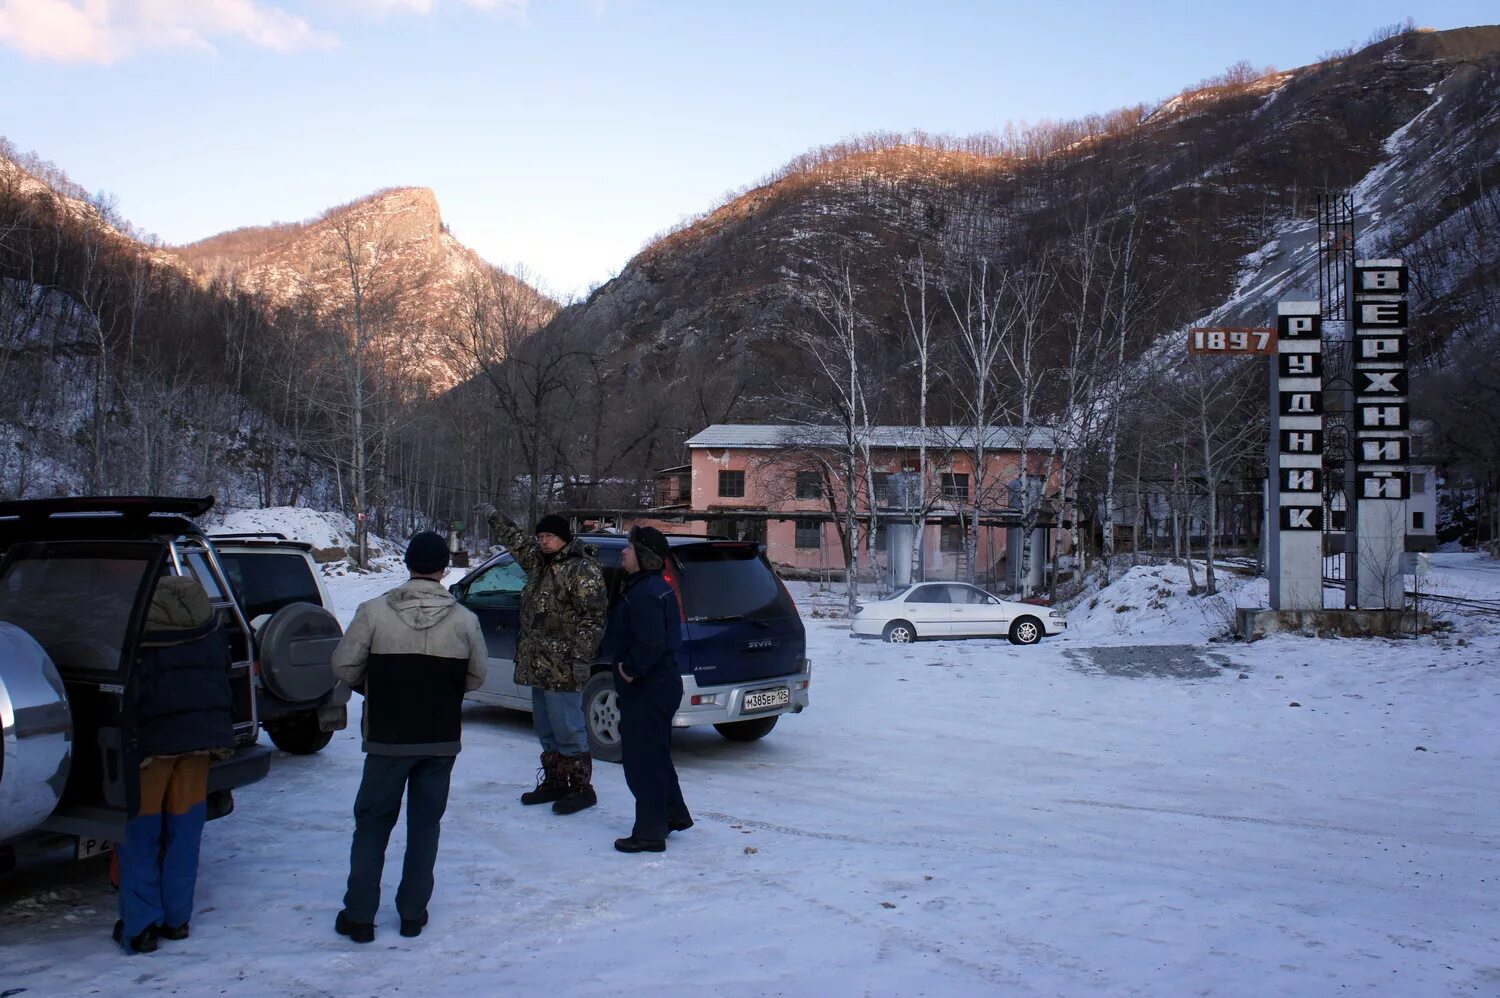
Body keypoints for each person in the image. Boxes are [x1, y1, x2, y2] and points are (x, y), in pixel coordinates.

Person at [332, 531, 486, 944]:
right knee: (425, 826)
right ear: (444, 568)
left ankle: (360, 915)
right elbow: (476, 677)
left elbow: (344, 666)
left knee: (372, 823)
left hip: (387, 736)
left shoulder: (373, 612)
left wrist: (381, 688)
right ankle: (413, 913)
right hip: (439, 738)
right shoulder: (465, 620)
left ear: (407, 563)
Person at [116, 574, 236, 954]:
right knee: (185, 832)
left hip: (151, 745)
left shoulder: (136, 629)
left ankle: (140, 927)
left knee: (140, 836)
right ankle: (177, 920)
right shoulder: (209, 624)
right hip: (201, 741)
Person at [478, 505, 607, 815]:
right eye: (541, 536)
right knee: (545, 727)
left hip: (563, 664)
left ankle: (580, 787)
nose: (543, 541)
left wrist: (581, 657)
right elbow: (516, 541)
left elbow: (593, 617)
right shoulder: (539, 562)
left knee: (568, 725)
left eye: (549, 536)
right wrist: (496, 516)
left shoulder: (581, 569)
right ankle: (555, 781)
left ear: (563, 538)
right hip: (537, 663)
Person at [608, 526, 692, 854]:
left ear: (644, 556)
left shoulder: (645, 594)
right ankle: (671, 814)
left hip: (648, 687)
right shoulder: (651, 587)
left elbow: (653, 641)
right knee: (654, 756)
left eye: (629, 549)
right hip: (659, 685)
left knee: (642, 762)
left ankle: (650, 832)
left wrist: (630, 670)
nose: (623, 553)